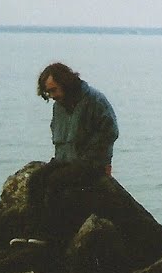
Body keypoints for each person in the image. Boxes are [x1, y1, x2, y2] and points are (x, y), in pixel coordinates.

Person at [11, 62, 119, 247]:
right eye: (48, 92)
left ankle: (50, 236)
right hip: (65, 159)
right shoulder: (59, 106)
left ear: (66, 83)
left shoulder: (95, 100)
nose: (52, 96)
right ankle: (31, 233)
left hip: (90, 162)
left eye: (54, 90)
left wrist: (92, 159)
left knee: (56, 182)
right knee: (36, 180)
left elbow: (110, 132)